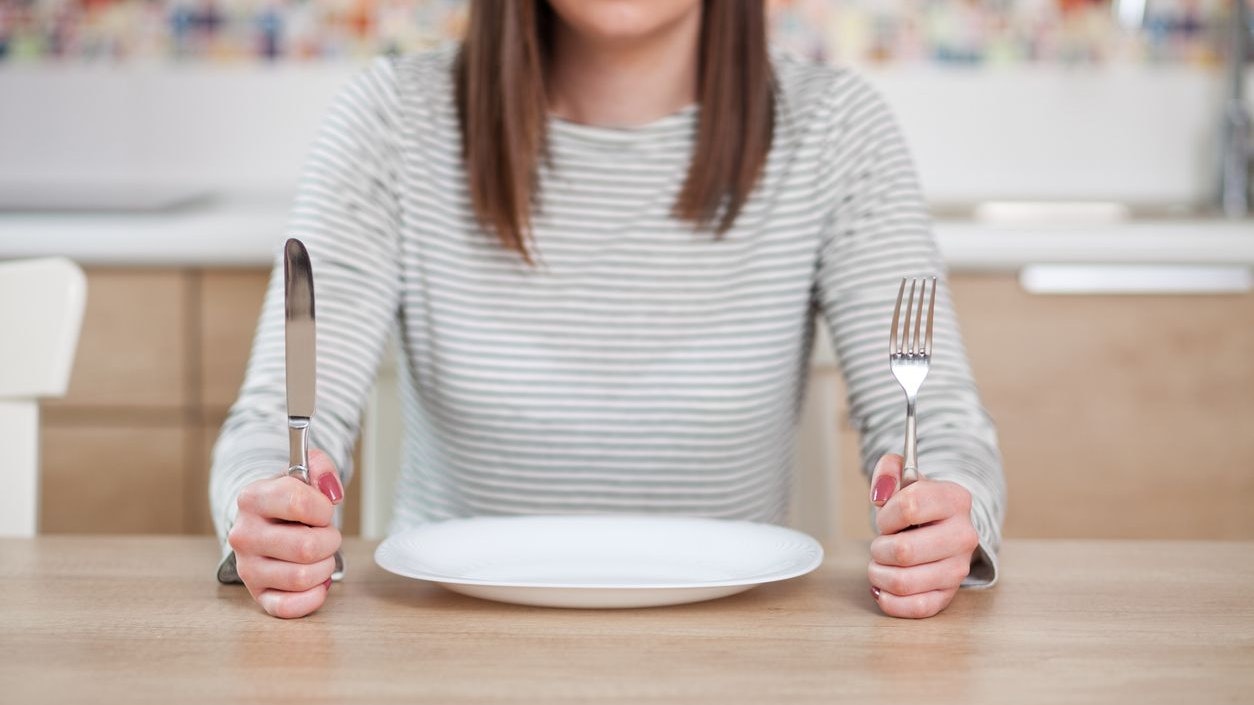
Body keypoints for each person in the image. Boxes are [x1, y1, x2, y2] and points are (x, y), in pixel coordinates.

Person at [211, 0, 1005, 620]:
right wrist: (272, 514)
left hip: (744, 648)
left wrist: (943, 515)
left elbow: (939, 432)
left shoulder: (838, 131)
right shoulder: (391, 121)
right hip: (447, 645)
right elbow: (271, 429)